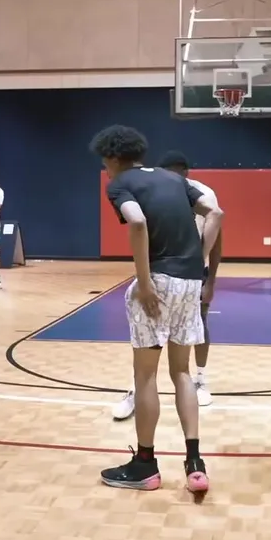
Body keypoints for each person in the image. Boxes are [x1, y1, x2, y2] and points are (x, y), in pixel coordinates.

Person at [92, 125, 222, 494]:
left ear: (113, 158)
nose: (105, 169)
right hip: (189, 282)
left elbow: (136, 221)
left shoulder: (120, 184)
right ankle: (194, 464)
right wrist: (199, 257)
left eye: (105, 162)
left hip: (158, 282)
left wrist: (144, 281)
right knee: (181, 372)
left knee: (146, 376)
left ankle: (145, 465)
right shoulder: (175, 179)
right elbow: (216, 212)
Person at [112, 150, 221, 420]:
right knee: (147, 339)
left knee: (197, 328)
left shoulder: (202, 193)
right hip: (159, 271)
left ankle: (201, 380)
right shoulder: (154, 190)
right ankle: (137, 389)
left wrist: (209, 277)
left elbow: (217, 228)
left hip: (192, 273)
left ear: (185, 174)